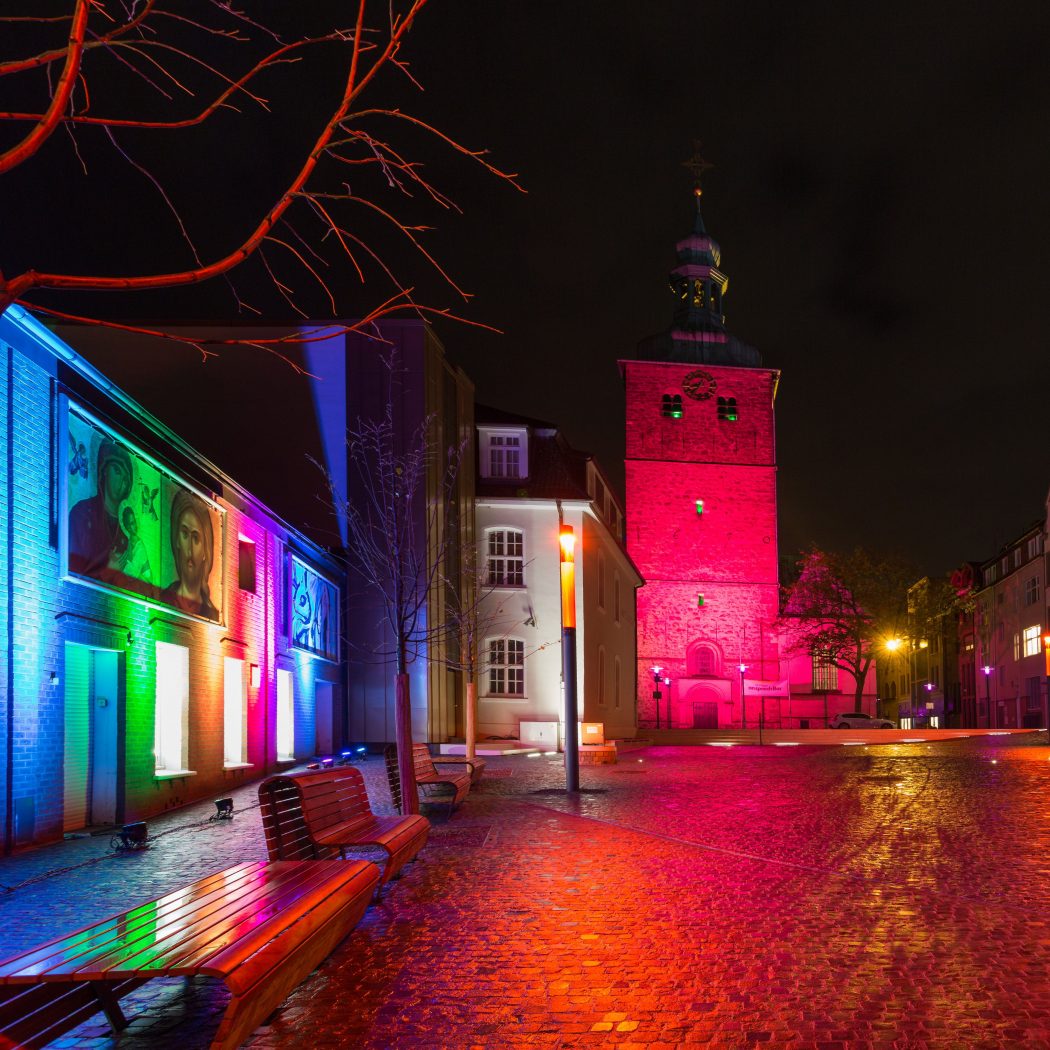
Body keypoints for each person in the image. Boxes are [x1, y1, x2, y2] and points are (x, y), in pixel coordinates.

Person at [68, 438, 133, 578]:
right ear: (104, 470)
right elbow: (73, 574)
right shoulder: (81, 514)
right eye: (117, 470)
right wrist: (105, 572)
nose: (122, 481)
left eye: (126, 478)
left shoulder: (126, 533)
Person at [160, 489, 218, 619]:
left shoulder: (212, 614)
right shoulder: (164, 599)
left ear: (205, 551)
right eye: (185, 534)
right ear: (177, 541)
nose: (189, 549)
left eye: (196, 538)